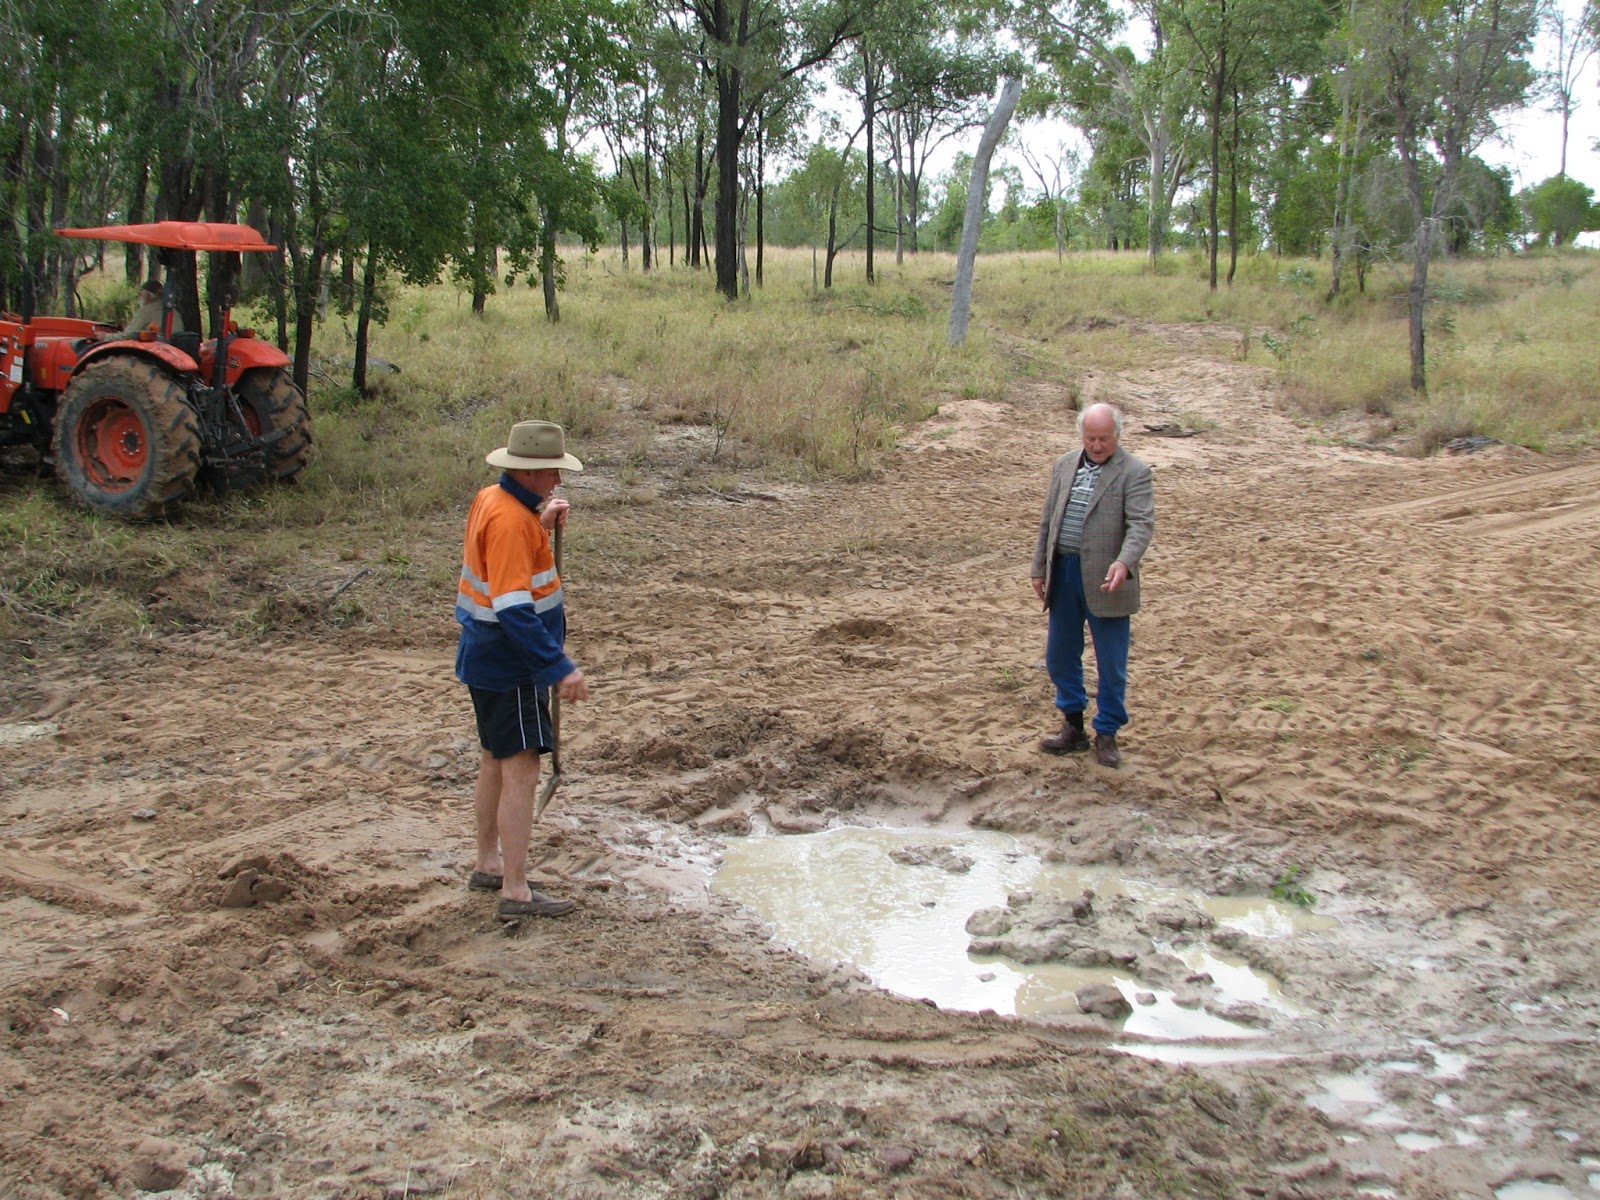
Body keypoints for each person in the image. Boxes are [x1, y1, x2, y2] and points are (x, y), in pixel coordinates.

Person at [456, 420, 591, 918]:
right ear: (531, 472)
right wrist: (557, 666)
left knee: (495, 759)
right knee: (522, 770)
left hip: (484, 657)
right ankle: (515, 890)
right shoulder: (512, 522)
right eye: (552, 471)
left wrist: (541, 521)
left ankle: (489, 864)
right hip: (511, 666)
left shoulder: (494, 499)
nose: (557, 479)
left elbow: (500, 560)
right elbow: (514, 608)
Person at [1030, 402, 1155, 768]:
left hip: (1107, 580)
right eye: (1090, 438)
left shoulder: (1135, 471)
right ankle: (1073, 726)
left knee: (1110, 662)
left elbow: (1141, 525)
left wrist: (1124, 562)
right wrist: (1040, 568)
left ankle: (1107, 734)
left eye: (1104, 438)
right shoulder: (1064, 464)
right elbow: (1047, 521)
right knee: (1059, 655)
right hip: (1064, 573)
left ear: (1117, 435)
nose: (1097, 445)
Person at [101, 278, 183, 340]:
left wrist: (106, 336)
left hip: (157, 346)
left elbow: (128, 335)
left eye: (142, 293)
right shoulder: (173, 311)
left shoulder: (146, 311)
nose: (140, 296)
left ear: (149, 296)